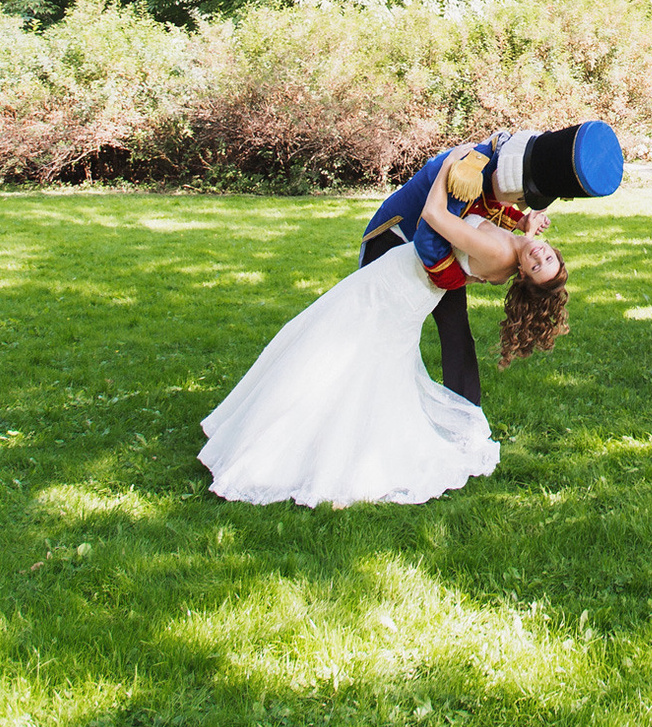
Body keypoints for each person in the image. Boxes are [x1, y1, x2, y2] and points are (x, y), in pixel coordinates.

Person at [198, 146, 572, 507]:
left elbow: (435, 217)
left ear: (523, 276)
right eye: (549, 257)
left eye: (539, 266)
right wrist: (524, 223)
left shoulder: (501, 254)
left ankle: (295, 443)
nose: (541, 256)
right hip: (403, 285)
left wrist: (447, 166)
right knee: (361, 359)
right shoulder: (517, 250)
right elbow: (492, 226)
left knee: (334, 348)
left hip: (394, 287)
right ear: (551, 248)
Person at [359, 131, 552, 405]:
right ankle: (457, 413)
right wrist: (521, 225)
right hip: (393, 241)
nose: (519, 201)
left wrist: (448, 163)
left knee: (449, 333)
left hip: (433, 254)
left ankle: (463, 415)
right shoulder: (470, 170)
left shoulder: (481, 174)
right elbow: (466, 213)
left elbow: (463, 213)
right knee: (384, 331)